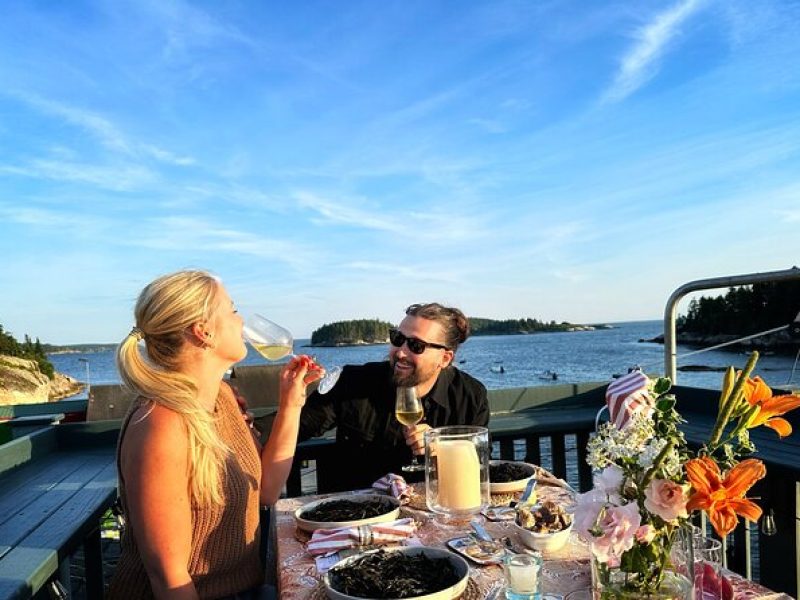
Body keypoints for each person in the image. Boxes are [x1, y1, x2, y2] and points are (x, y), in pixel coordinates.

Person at [108, 270, 322, 600]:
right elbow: (169, 579)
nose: (241, 322)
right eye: (233, 310)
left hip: (244, 589)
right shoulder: (160, 425)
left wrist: (291, 403)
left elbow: (266, 491)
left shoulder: (221, 397)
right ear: (203, 332)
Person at [299, 302, 489, 490]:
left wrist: (442, 449)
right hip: (358, 513)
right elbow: (295, 428)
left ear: (445, 358)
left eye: (416, 345)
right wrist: (293, 397)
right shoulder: (353, 383)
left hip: (437, 513)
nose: (400, 352)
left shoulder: (470, 396)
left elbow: (479, 468)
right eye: (398, 338)